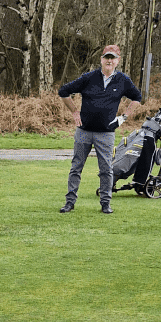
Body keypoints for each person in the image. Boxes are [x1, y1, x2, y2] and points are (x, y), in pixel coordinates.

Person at [58, 45, 142, 214]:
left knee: (106, 169)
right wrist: (74, 111)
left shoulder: (123, 80)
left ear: (118, 60)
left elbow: (137, 98)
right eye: (106, 57)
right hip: (83, 131)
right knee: (76, 167)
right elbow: (63, 91)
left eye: (113, 58)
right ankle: (70, 202)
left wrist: (123, 117)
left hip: (106, 133)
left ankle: (105, 203)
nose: (109, 61)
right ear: (101, 59)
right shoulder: (89, 77)